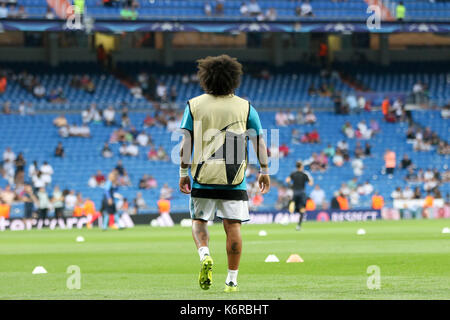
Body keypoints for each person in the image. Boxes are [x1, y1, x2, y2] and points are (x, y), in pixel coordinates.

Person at [178, 55, 270, 293]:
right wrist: (264, 170)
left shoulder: (194, 105)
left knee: (199, 221)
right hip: (234, 179)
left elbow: (186, 143)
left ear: (205, 78)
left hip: (203, 176)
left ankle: (205, 254)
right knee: (233, 226)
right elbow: (259, 141)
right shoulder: (245, 107)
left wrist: (183, 172)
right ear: (234, 79)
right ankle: (231, 280)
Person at [285, 161, 314, 231]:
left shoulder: (293, 173)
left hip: (295, 192)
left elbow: (287, 180)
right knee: (302, 209)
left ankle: (286, 219)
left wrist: (291, 186)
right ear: (301, 166)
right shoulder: (304, 174)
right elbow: (311, 183)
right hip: (302, 193)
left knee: (292, 206)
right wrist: (310, 178)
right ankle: (299, 225)